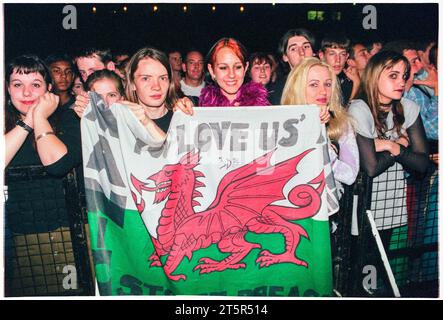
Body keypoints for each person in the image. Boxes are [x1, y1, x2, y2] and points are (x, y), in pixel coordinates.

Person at [348, 50, 429, 243]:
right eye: (393, 76)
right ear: (375, 76)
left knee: (389, 269)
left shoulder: (408, 107)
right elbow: (371, 167)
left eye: (404, 76)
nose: (402, 82)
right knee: (362, 267)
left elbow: (423, 164)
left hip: (392, 207)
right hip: (363, 209)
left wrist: (392, 148)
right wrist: (399, 147)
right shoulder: (359, 108)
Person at [281, 57, 359, 194]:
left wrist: (322, 141)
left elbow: (350, 175)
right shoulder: (282, 123)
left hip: (330, 209)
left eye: (328, 84)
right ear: (298, 87)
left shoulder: (341, 122)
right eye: (314, 85)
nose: (323, 91)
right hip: (288, 206)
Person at [199, 37, 270, 107]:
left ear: (245, 68)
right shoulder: (199, 107)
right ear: (211, 71)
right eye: (223, 68)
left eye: (238, 67)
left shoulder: (264, 106)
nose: (231, 75)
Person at [269, 28, 316, 105]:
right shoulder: (276, 91)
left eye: (306, 47)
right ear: (285, 57)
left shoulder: (327, 83)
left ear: (314, 53)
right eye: (294, 49)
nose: (301, 52)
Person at [319, 34, 359, 106]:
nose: (338, 60)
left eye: (342, 54)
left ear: (347, 57)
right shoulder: (315, 81)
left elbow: (344, 113)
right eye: (332, 54)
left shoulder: (345, 83)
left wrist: (356, 82)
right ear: (322, 56)